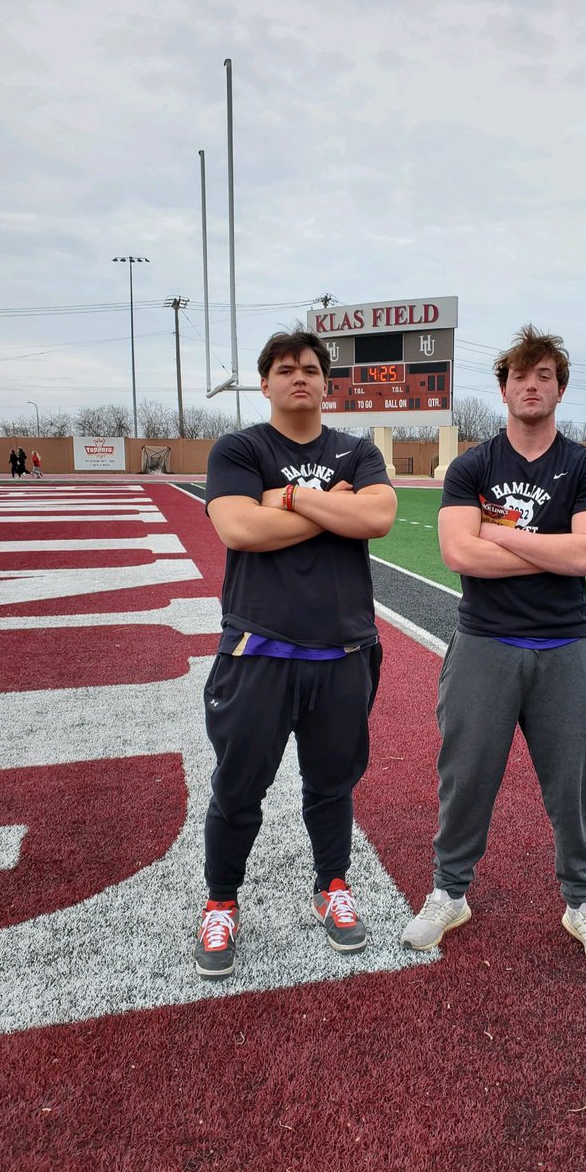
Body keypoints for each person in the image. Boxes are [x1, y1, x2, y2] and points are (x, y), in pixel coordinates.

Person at [401, 324, 586, 969]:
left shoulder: (585, 466)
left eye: (544, 376)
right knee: (465, 776)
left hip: (566, 645)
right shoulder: (473, 464)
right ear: (503, 388)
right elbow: (456, 553)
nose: (532, 386)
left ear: (558, 387)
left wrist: (502, 536)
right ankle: (449, 892)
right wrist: (552, 551)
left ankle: (582, 901)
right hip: (484, 642)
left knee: (573, 782)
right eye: (521, 376)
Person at [194, 327, 397, 978]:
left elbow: (377, 519)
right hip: (260, 649)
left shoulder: (356, 451)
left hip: (342, 651)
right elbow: (240, 528)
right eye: (286, 369)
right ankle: (221, 901)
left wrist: (289, 497)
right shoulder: (241, 448)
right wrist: (331, 506)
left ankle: (331, 884)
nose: (299, 376)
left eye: (311, 367)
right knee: (237, 788)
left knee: (332, 785)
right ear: (266, 383)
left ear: (325, 381)